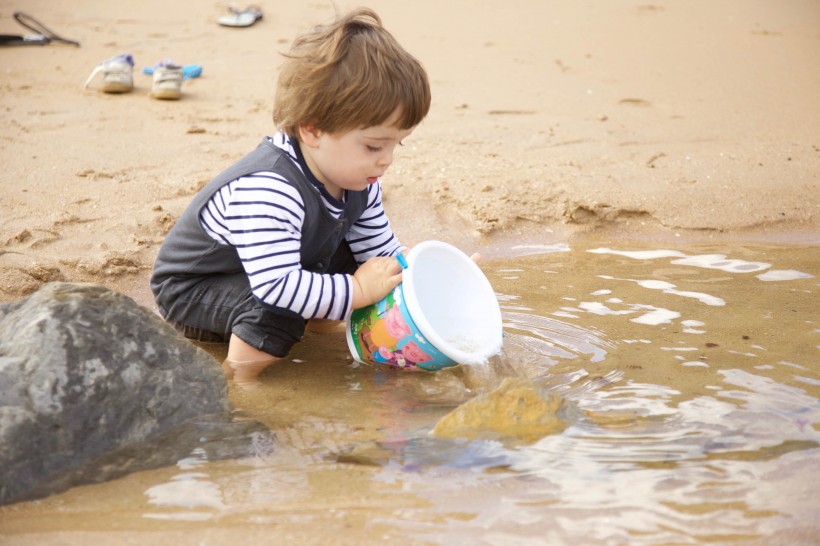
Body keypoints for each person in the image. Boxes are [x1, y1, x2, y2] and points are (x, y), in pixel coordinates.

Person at [150, 8, 430, 384]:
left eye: (398, 144)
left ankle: (318, 331)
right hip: (195, 290)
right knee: (277, 307)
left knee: (354, 261)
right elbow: (276, 285)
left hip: (266, 270)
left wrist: (426, 272)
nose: (387, 159)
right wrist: (359, 290)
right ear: (312, 130)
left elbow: (379, 253)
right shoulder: (270, 188)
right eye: (373, 146)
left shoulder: (357, 181)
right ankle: (241, 381)